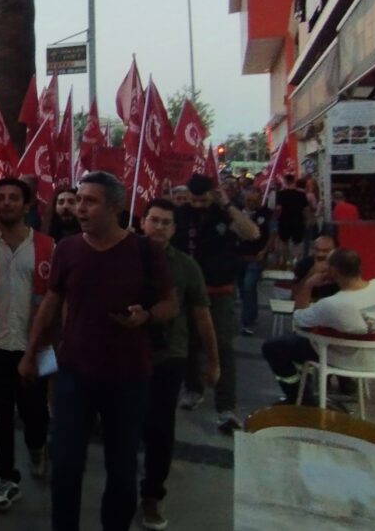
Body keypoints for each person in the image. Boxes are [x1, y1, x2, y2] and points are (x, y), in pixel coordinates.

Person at [20, 171, 177, 531]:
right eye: (78, 199)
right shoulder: (69, 249)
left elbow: (172, 305)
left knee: (121, 467)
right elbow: (51, 303)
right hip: (75, 373)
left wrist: (147, 315)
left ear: (116, 207)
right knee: (66, 463)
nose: (79, 208)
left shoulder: (145, 251)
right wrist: (32, 353)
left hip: (129, 377)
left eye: (90, 201)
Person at [0, 177, 55, 512]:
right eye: (0, 198)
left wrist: (43, 348)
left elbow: (56, 301)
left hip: (33, 346)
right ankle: (8, 478)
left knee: (35, 413)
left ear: (26, 206)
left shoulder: (49, 247)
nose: (5, 203)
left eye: (12, 198)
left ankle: (37, 446)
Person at [138, 200, 218, 531]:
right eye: (153, 220)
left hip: (169, 357)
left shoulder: (186, 267)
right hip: (123, 356)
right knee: (124, 427)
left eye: (165, 222)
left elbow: (202, 316)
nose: (158, 227)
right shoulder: (121, 257)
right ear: (142, 222)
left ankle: (152, 496)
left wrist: (212, 361)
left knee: (160, 430)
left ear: (174, 228)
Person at [172, 174, 260, 433]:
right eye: (193, 199)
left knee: (222, 346)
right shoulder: (181, 214)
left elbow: (251, 233)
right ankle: (193, 388)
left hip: (218, 291)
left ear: (213, 194)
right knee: (187, 342)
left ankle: (226, 406)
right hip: (187, 291)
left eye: (203, 199)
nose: (198, 204)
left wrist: (228, 205)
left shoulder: (225, 214)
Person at [262, 248, 375, 403]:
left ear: (333, 271)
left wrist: (308, 285)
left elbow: (298, 319)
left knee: (274, 346)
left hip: (344, 359)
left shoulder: (333, 305)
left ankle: (300, 399)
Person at [235, 191, 273, 335]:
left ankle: (245, 322)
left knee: (248, 286)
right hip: (239, 256)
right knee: (245, 290)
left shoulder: (265, 214)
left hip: (256, 258)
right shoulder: (237, 213)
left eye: (254, 200)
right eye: (248, 200)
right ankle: (252, 312)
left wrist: (264, 251)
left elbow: (271, 234)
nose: (250, 203)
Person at [292, 235, 340, 304]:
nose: (320, 254)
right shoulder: (304, 263)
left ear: (335, 251)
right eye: (317, 250)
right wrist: (312, 272)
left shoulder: (342, 266)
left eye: (325, 251)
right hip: (308, 306)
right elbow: (295, 294)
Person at [275, 174, 310, 260]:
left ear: (285, 181)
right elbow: (306, 209)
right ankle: (297, 260)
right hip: (298, 221)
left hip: (284, 220)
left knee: (284, 242)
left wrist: (277, 218)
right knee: (297, 243)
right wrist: (306, 220)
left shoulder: (280, 194)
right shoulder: (301, 194)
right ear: (294, 181)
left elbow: (278, 209)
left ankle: (286, 261)